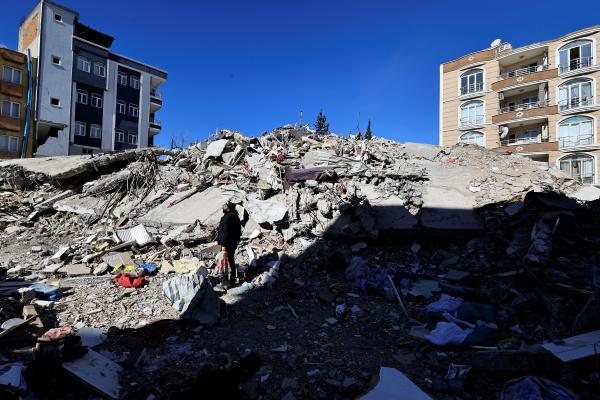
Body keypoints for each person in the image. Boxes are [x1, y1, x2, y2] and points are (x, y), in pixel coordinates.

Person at [217, 201, 241, 288]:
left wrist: (223, 244)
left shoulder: (228, 217)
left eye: (224, 206)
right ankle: (232, 281)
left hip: (227, 243)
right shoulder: (235, 216)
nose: (223, 207)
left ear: (228, 207)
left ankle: (226, 282)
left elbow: (225, 232)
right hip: (232, 242)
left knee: (225, 262)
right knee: (231, 261)